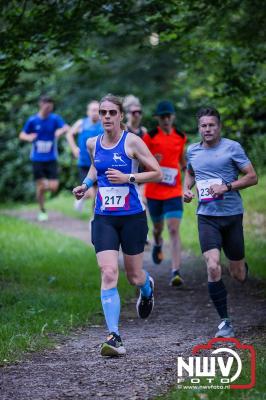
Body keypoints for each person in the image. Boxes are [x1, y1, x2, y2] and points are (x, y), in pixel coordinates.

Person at [73, 94, 162, 357]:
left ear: (121, 116)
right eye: (103, 112)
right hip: (104, 217)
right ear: (99, 115)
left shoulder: (132, 141)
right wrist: (86, 185)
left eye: (112, 112)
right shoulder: (92, 143)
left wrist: (128, 177)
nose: (107, 117)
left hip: (132, 216)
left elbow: (156, 171)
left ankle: (147, 288)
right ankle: (114, 336)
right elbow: (94, 169)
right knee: (109, 272)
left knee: (134, 276)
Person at [183, 107, 257, 338]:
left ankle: (241, 267)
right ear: (199, 128)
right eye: (203, 126)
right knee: (213, 265)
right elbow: (191, 173)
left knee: (238, 275)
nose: (207, 129)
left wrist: (226, 186)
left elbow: (252, 177)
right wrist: (186, 190)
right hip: (206, 217)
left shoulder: (232, 147)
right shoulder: (192, 151)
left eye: (211, 125)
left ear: (219, 126)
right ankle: (225, 322)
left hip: (232, 214)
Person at [143, 100, 187, 286]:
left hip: (174, 191)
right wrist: (153, 160)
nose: (166, 119)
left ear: (173, 117)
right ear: (158, 119)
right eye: (163, 117)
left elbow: (182, 161)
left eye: (169, 116)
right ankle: (158, 242)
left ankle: (175, 271)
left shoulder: (180, 136)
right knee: (158, 228)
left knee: (174, 229)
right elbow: (140, 163)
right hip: (154, 192)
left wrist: (191, 179)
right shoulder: (149, 137)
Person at [19, 95, 69, 221]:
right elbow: (22, 134)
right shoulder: (32, 120)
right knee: (40, 186)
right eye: (47, 106)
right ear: (41, 104)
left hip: (51, 158)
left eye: (51, 106)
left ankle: (42, 186)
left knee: (53, 187)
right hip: (37, 159)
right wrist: (28, 137)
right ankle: (42, 210)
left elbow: (66, 127)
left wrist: (60, 131)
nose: (49, 108)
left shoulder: (55, 118)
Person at [66, 101, 104, 212]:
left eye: (97, 110)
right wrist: (74, 148)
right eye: (92, 110)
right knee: (91, 192)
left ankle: (94, 217)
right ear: (88, 112)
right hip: (84, 163)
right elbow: (69, 134)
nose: (95, 113)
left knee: (98, 193)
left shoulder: (103, 124)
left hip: (98, 163)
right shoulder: (82, 123)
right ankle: (82, 197)